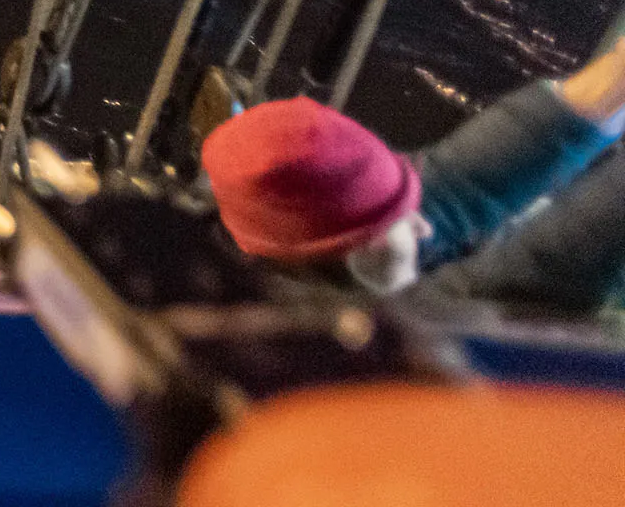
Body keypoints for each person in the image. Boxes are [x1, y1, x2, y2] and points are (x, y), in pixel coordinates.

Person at [201, 38, 625, 314]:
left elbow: (457, 183)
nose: (424, 226)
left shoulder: (263, 240)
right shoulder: (389, 342)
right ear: (359, 259)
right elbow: (549, 261)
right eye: (403, 220)